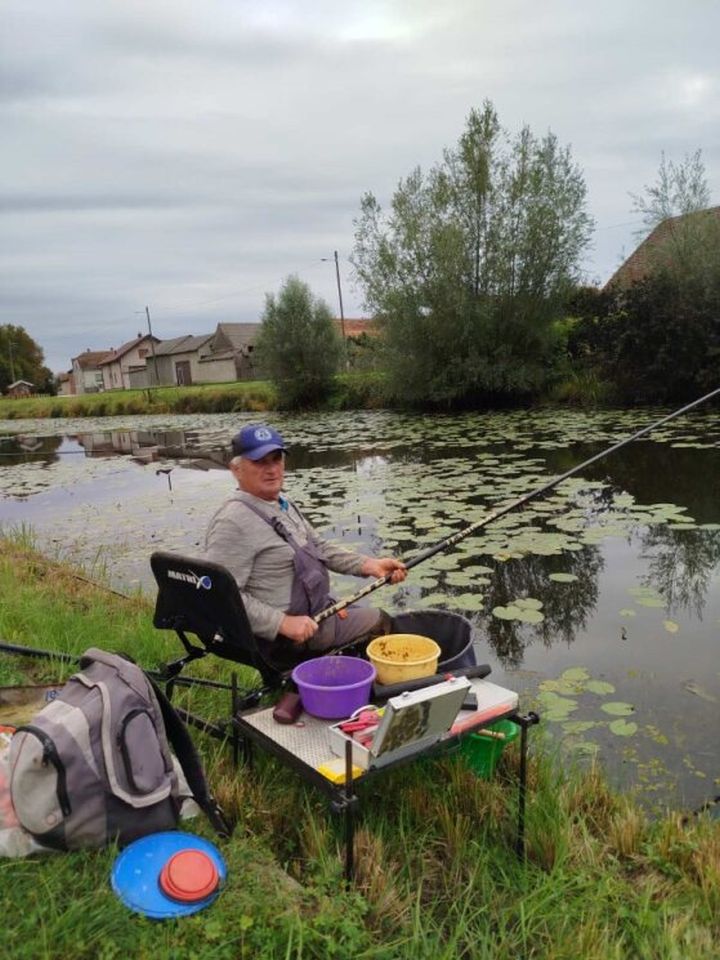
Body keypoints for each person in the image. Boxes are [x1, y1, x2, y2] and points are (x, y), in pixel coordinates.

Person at [204, 423, 406, 658]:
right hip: (280, 640)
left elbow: (318, 547)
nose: (271, 470)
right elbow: (219, 597)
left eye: (276, 459)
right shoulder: (232, 522)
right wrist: (281, 623)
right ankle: (308, 687)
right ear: (236, 469)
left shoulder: (281, 503)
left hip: (316, 611)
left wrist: (370, 565)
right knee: (380, 622)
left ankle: (310, 685)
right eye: (260, 462)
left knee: (359, 615)